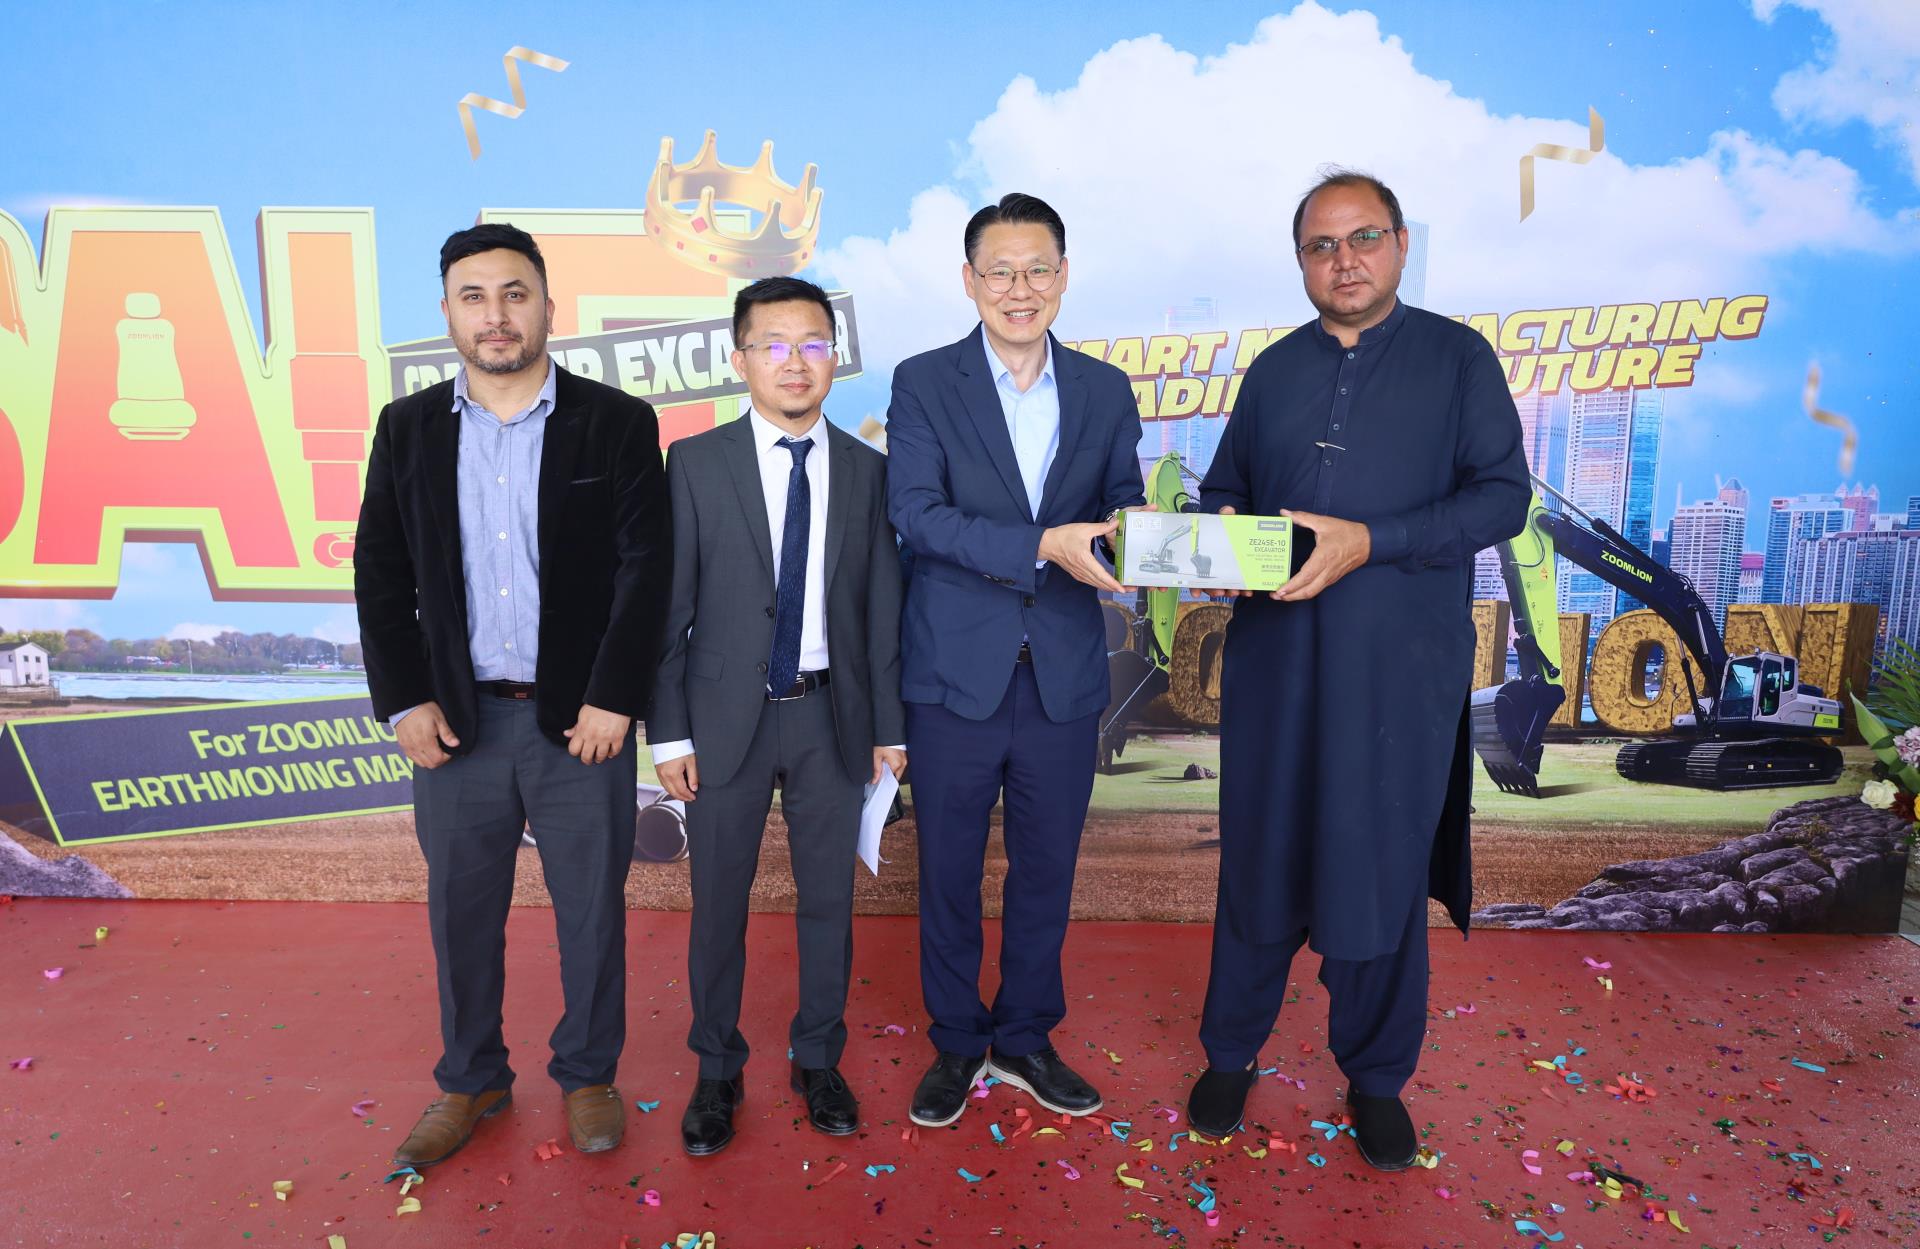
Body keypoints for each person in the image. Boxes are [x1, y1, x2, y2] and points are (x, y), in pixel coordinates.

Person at [1183, 170, 1529, 1168]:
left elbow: (1501, 498)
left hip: (1396, 674)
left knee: (1378, 866)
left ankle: (1376, 1077)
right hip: (1276, 669)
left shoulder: (1458, 360)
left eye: (1364, 238)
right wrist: (1209, 544)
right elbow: (1224, 492)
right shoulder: (1273, 370)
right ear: (1301, 261)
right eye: (1322, 245)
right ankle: (1230, 1053)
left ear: (1401, 244)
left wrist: (1369, 541)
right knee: (1260, 858)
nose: (1345, 261)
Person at [355, 222, 671, 1166]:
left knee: (591, 913)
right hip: (456, 722)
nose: (496, 315)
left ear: (547, 305)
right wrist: (405, 699)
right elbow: (380, 573)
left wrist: (615, 695)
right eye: (474, 296)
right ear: (449, 312)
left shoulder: (615, 421)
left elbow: (645, 570)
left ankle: (588, 1074)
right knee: (461, 915)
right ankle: (472, 1078)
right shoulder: (406, 427)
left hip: (580, 724)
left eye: (514, 293)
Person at [886, 192, 1144, 1128]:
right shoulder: (924, 381)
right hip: (954, 673)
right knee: (949, 869)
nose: (1019, 288)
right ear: (970, 281)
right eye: (1000, 271)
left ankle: (1026, 1035)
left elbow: (1123, 506)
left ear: (1064, 277)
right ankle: (958, 1040)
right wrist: (1042, 545)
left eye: (1038, 269)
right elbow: (917, 514)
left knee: (1047, 868)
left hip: (1065, 673)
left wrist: (1145, 539)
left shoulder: (1106, 390)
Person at [647, 276, 906, 1155]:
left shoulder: (868, 471)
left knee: (829, 902)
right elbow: (669, 612)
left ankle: (817, 1058)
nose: (796, 362)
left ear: (835, 357)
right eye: (775, 345)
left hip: (833, 718)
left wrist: (890, 728)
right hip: (726, 723)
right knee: (718, 904)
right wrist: (669, 731)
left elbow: (881, 608)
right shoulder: (695, 462)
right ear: (741, 358)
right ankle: (716, 1068)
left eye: (814, 344)